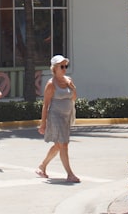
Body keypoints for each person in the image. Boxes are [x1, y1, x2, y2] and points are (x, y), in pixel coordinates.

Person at [36, 54, 79, 183]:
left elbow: (73, 97)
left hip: (66, 116)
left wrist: (73, 87)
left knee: (59, 145)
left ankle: (42, 166)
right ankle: (70, 174)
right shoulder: (51, 84)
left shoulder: (68, 80)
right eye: (61, 66)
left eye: (66, 66)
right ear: (54, 68)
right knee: (64, 144)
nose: (64, 68)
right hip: (55, 116)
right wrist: (43, 123)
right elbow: (46, 105)